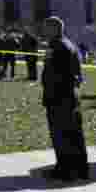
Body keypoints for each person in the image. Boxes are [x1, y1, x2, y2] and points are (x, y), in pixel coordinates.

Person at [40, 16, 89, 181]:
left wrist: (49, 93)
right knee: (74, 133)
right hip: (70, 94)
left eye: (46, 28)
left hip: (59, 96)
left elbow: (54, 74)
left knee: (61, 134)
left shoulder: (57, 46)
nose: (43, 31)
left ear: (54, 29)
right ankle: (81, 168)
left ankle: (65, 169)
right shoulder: (69, 44)